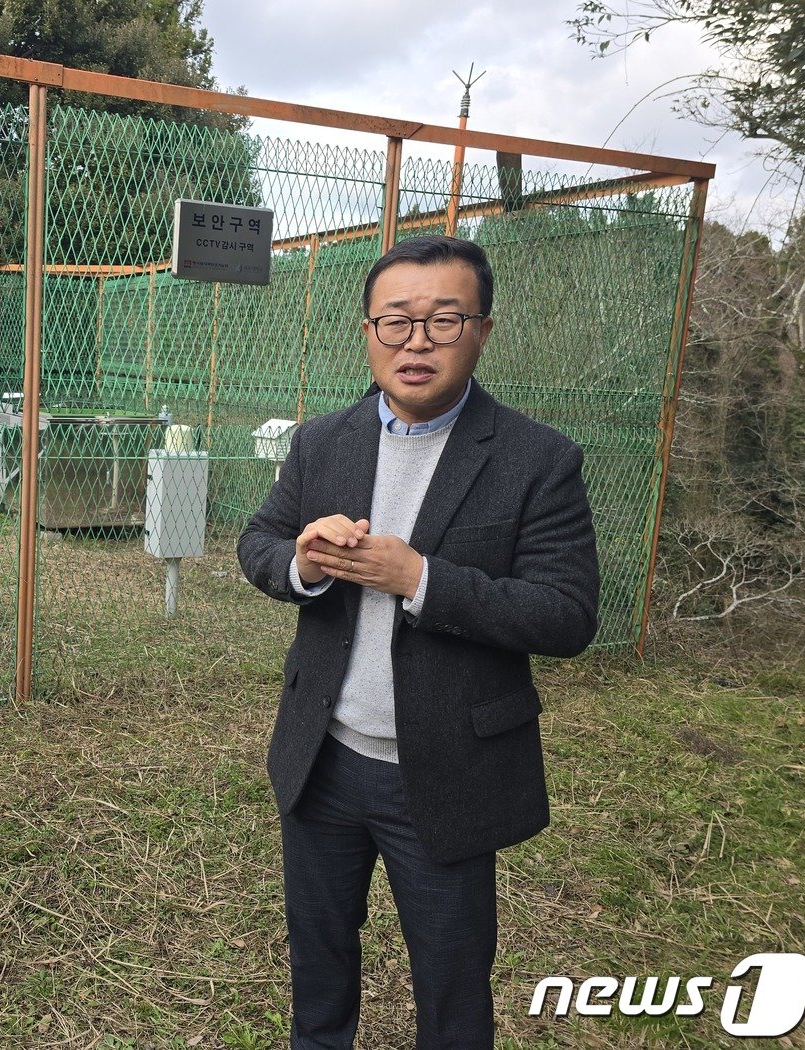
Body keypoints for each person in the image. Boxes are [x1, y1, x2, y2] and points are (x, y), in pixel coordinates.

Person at [237, 235, 600, 1049]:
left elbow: (567, 614)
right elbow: (257, 541)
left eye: (444, 320)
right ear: (367, 331)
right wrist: (301, 561)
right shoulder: (322, 441)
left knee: (451, 978)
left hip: (444, 772)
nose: (417, 343)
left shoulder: (537, 459)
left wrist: (420, 580)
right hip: (321, 757)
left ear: (483, 330)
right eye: (395, 322)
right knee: (319, 960)